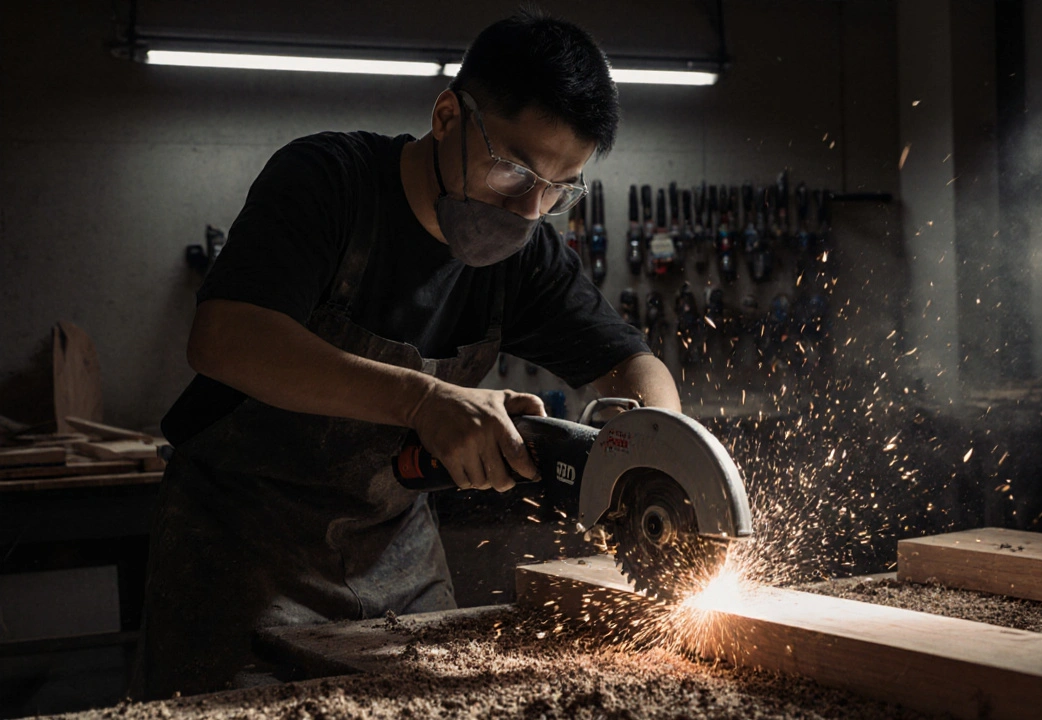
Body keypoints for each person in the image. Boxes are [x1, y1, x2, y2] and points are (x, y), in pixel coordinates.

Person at [131, 10, 679, 699]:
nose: (529, 209)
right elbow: (226, 337)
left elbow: (634, 365)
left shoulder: (527, 255)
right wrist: (424, 400)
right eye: (513, 172)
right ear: (447, 116)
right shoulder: (328, 182)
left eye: (559, 190)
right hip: (240, 552)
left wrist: (657, 456)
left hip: (397, 558)